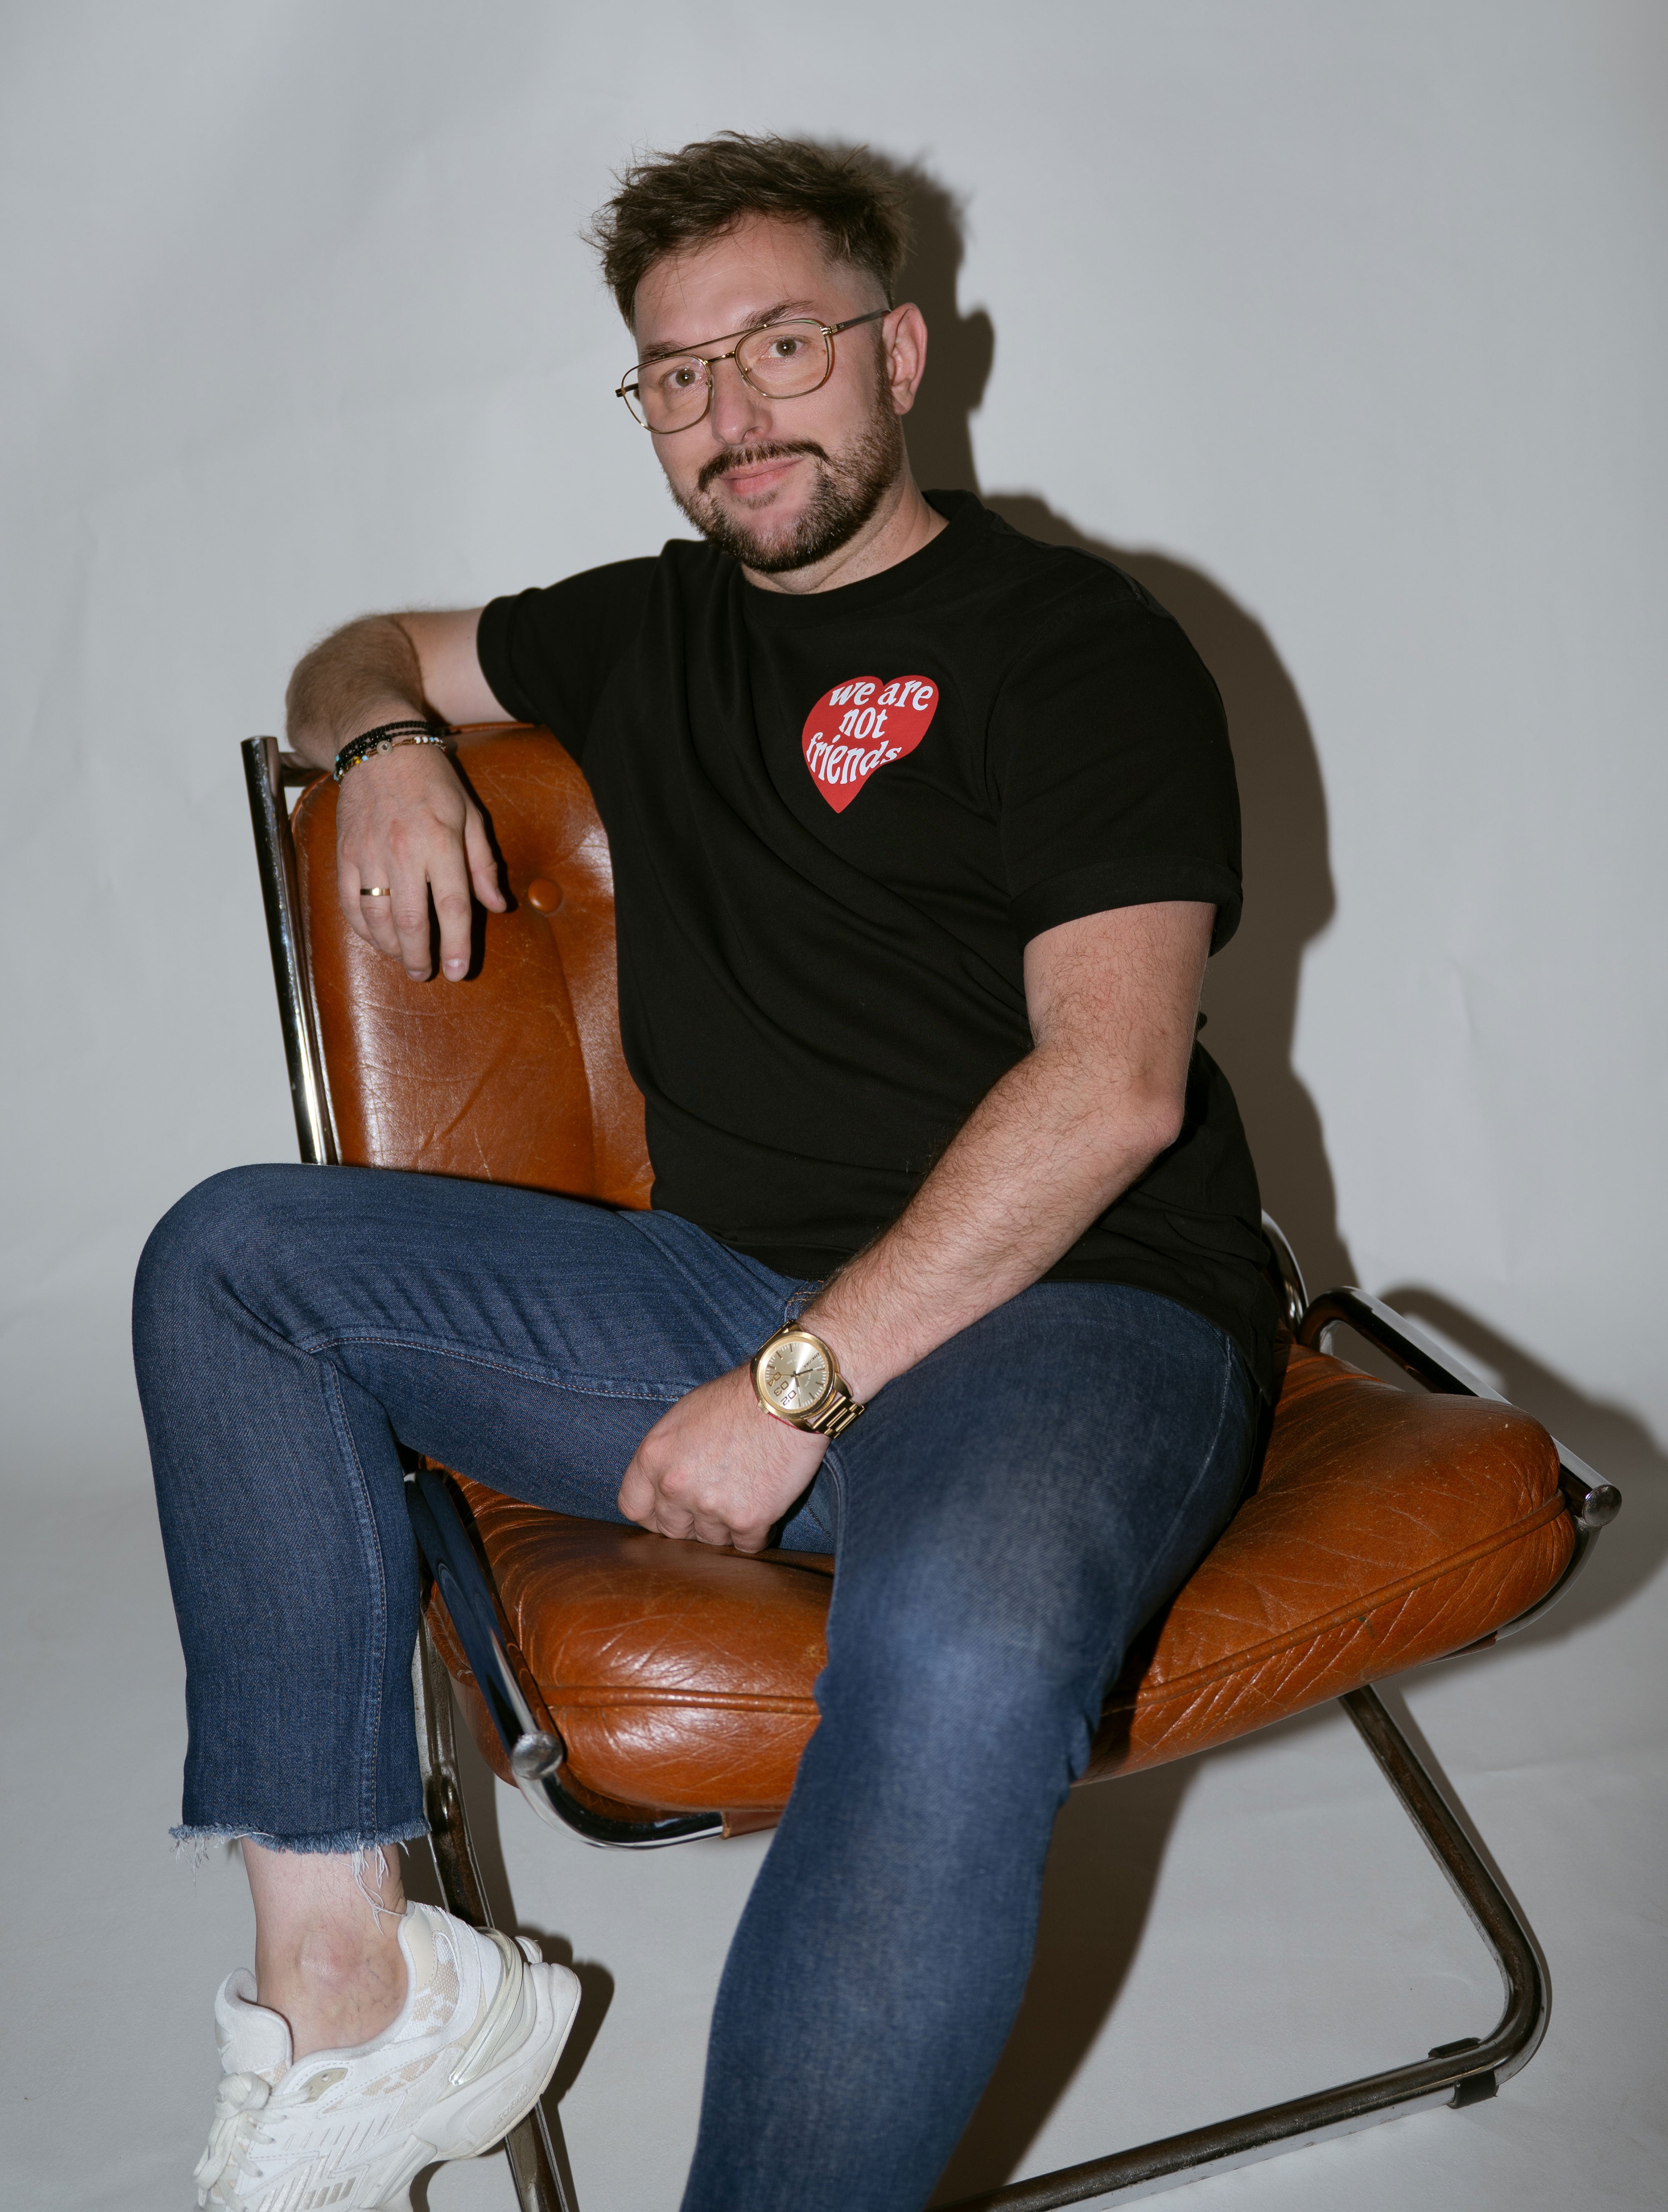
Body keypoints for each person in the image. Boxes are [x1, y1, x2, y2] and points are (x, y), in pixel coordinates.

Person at [134, 133, 1281, 2212]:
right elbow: (354, 649)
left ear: (900, 354)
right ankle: (358, 2000)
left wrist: (793, 1392)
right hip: (722, 1282)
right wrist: (383, 746)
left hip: (1076, 1313)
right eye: (677, 375)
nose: (732, 413)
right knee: (236, 1261)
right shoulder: (638, 631)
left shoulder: (1076, 645)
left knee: (955, 1661)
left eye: (780, 348)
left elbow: (1110, 1091)